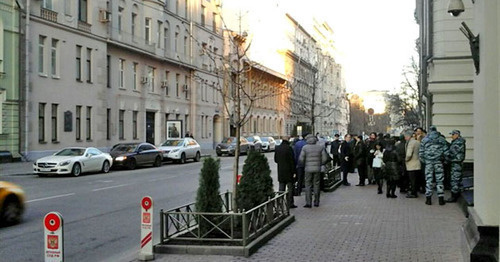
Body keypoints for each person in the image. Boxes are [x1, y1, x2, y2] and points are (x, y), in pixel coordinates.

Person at [419, 126, 449, 205]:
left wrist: (425, 161)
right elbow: (446, 153)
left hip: (428, 162)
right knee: (440, 180)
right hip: (438, 162)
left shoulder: (424, 140)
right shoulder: (442, 140)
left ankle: (428, 199)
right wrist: (445, 161)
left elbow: (421, 153)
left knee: (429, 180)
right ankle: (441, 199)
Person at [298, 134, 329, 208]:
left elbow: (301, 159)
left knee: (308, 185)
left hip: (308, 169)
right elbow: (325, 159)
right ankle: (316, 201)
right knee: (316, 185)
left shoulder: (305, 148)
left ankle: (308, 202)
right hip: (317, 169)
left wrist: (305, 164)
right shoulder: (320, 147)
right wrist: (320, 163)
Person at [274, 137, 297, 208]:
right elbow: (292, 161)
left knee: (281, 188)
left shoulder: (277, 148)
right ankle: (290, 203)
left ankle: (280, 203)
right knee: (290, 188)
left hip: (280, 170)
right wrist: (294, 172)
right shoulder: (289, 148)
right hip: (289, 171)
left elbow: (276, 160)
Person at [445, 130, 466, 202]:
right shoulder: (459, 142)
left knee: (454, 179)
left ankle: (454, 196)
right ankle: (458, 193)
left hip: (456, 163)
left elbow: (451, 153)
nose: (451, 136)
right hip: (457, 163)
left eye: (453, 135)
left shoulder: (457, 143)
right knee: (458, 179)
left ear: (457, 135)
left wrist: (446, 155)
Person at [404, 129, 421, 198]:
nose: (405, 138)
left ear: (409, 136)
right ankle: (415, 191)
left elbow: (408, 154)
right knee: (416, 179)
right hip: (417, 163)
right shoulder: (417, 142)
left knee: (412, 180)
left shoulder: (410, 143)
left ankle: (413, 193)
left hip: (411, 164)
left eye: (405, 136)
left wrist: (406, 160)